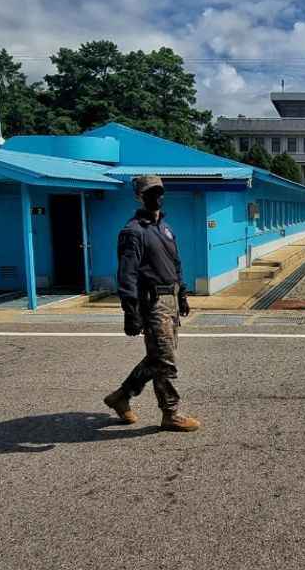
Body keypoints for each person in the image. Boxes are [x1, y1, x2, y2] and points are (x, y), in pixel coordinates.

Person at [103, 175, 201, 432]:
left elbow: (176, 264)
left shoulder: (165, 228)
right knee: (166, 360)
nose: (156, 197)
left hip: (170, 299)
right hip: (153, 303)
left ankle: (121, 396)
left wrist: (182, 294)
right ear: (139, 196)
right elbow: (127, 274)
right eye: (150, 193)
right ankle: (171, 413)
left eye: (159, 192)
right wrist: (131, 311)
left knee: (158, 358)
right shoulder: (133, 232)